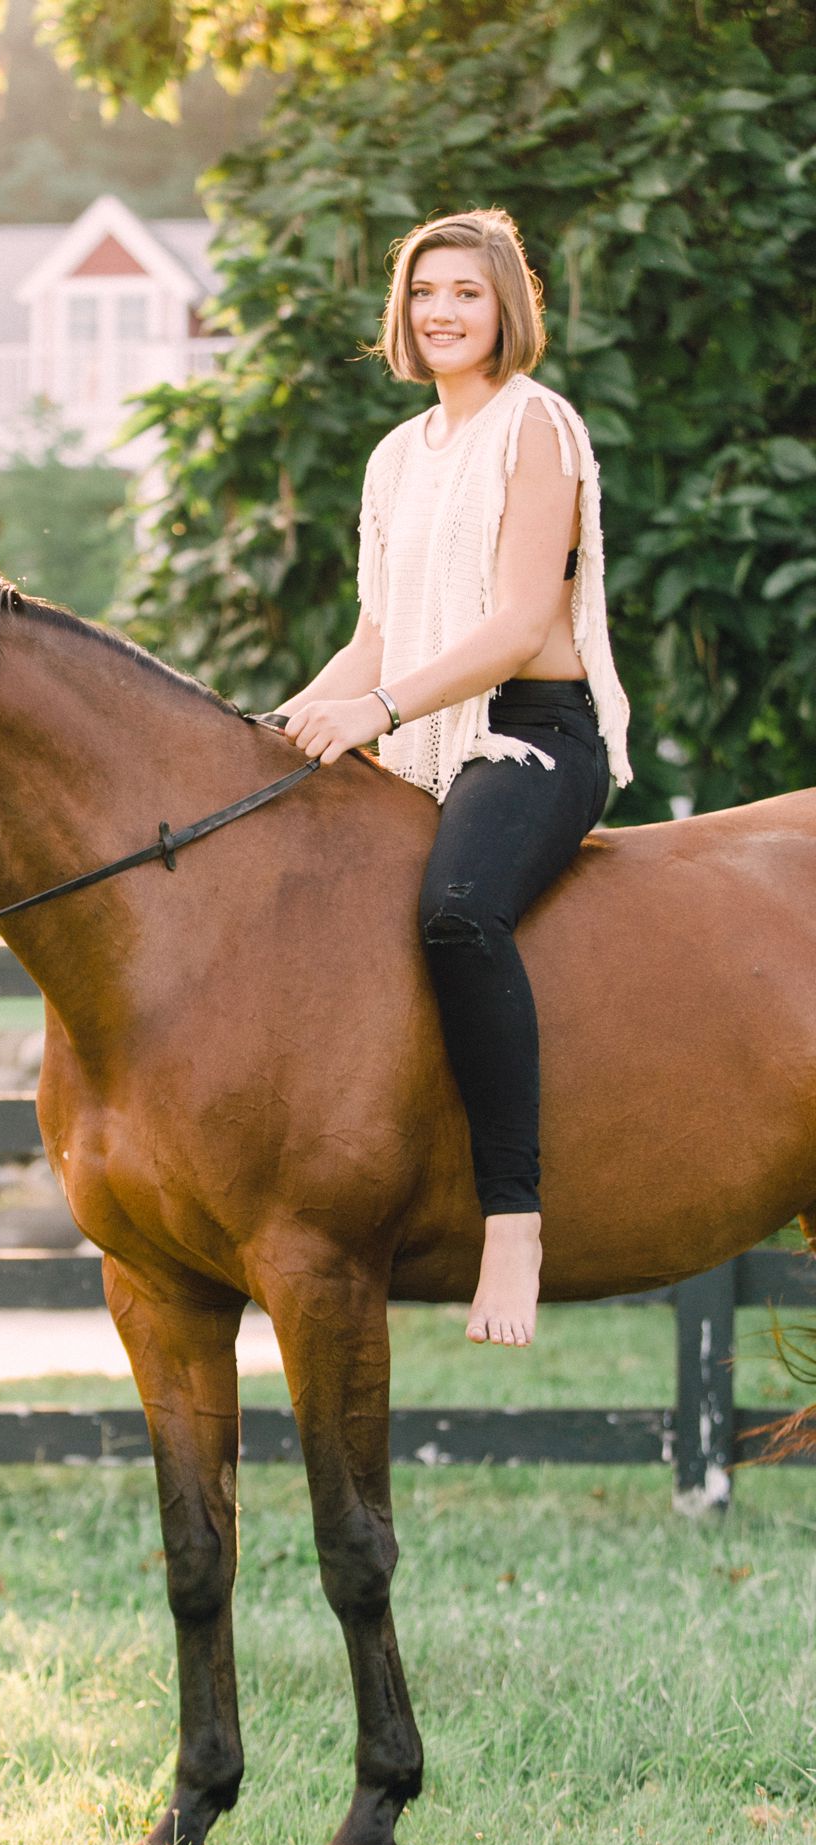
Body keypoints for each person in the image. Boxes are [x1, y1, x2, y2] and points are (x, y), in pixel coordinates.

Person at [275, 208, 632, 1347]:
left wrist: (372, 712)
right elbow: (377, 629)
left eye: (466, 293)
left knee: (458, 915)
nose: (441, 310)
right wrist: (279, 722)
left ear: (503, 310)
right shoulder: (395, 455)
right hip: (424, 729)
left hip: (531, 733)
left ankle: (512, 1227)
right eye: (424, 291)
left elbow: (523, 620)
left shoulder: (537, 427)